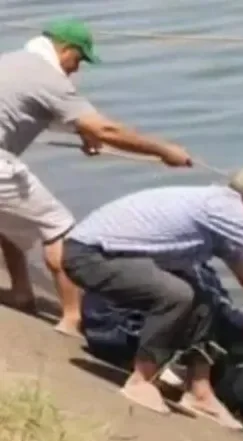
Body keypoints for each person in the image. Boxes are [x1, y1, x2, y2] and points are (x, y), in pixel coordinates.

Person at [61, 163, 243, 427]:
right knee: (177, 295)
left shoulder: (221, 215)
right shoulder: (226, 210)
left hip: (119, 258)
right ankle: (140, 381)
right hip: (89, 255)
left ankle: (199, 392)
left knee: (204, 301)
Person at [0, 18, 192, 337]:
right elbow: (105, 128)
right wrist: (162, 150)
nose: (77, 70)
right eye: (79, 60)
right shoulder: (48, 77)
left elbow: (39, 109)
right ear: (66, 49)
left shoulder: (12, 61)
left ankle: (22, 293)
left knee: (7, 217)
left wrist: (84, 134)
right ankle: (72, 318)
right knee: (59, 228)